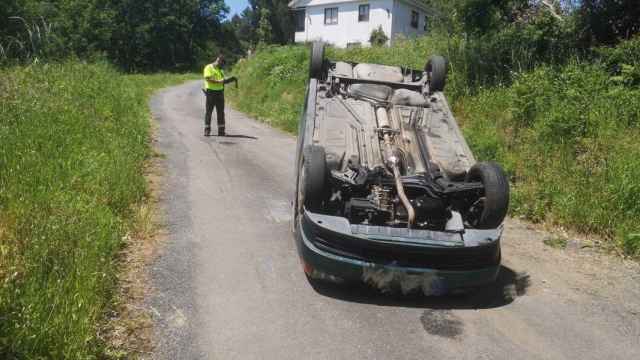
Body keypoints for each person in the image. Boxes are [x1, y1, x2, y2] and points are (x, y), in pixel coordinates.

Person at [203, 55, 236, 136]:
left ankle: (221, 131)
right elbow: (208, 79)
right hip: (211, 92)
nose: (222, 66)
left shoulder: (220, 70)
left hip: (220, 93)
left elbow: (223, 81)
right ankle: (207, 130)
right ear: (218, 61)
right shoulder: (208, 67)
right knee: (209, 112)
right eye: (222, 64)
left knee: (221, 112)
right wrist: (219, 81)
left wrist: (229, 80)